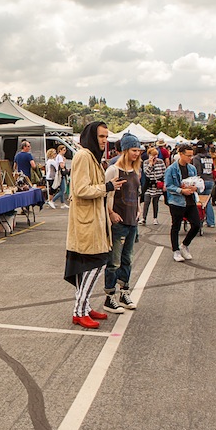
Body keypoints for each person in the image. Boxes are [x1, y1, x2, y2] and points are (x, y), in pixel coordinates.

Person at [65, 121, 125, 329]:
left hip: (93, 220)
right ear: (92, 136)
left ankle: (84, 307)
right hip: (86, 222)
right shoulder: (83, 156)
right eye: (101, 137)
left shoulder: (92, 157)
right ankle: (79, 310)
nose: (104, 141)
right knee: (96, 262)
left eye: (106, 137)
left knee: (90, 265)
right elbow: (81, 189)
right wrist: (107, 186)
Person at [103, 133, 142, 313]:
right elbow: (105, 194)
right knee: (114, 261)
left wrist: (139, 209)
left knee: (128, 259)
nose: (137, 153)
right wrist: (110, 213)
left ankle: (124, 291)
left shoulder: (136, 171)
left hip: (132, 218)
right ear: (126, 150)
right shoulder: (113, 170)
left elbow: (136, 192)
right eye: (134, 150)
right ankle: (109, 296)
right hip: (118, 221)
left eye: (138, 150)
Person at [164, 144, 201, 262]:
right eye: (188, 155)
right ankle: (176, 251)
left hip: (191, 201)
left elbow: (196, 182)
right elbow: (168, 186)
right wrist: (181, 190)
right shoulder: (171, 169)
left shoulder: (192, 168)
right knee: (176, 226)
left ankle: (184, 245)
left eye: (192, 155)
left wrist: (195, 188)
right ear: (180, 154)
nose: (190, 158)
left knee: (196, 224)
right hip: (176, 201)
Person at [192, 142, 216, 230]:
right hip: (210, 180)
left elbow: (196, 170)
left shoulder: (196, 158)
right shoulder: (209, 157)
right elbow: (213, 169)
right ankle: (211, 222)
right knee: (208, 202)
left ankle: (198, 220)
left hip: (201, 181)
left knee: (198, 202)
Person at [141, 147, 166, 226]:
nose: (155, 157)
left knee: (155, 202)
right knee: (146, 201)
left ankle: (155, 218)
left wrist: (164, 183)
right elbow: (146, 173)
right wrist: (151, 164)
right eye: (153, 155)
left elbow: (164, 172)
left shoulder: (160, 162)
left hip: (158, 184)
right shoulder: (145, 162)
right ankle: (144, 218)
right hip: (149, 185)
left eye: (156, 155)